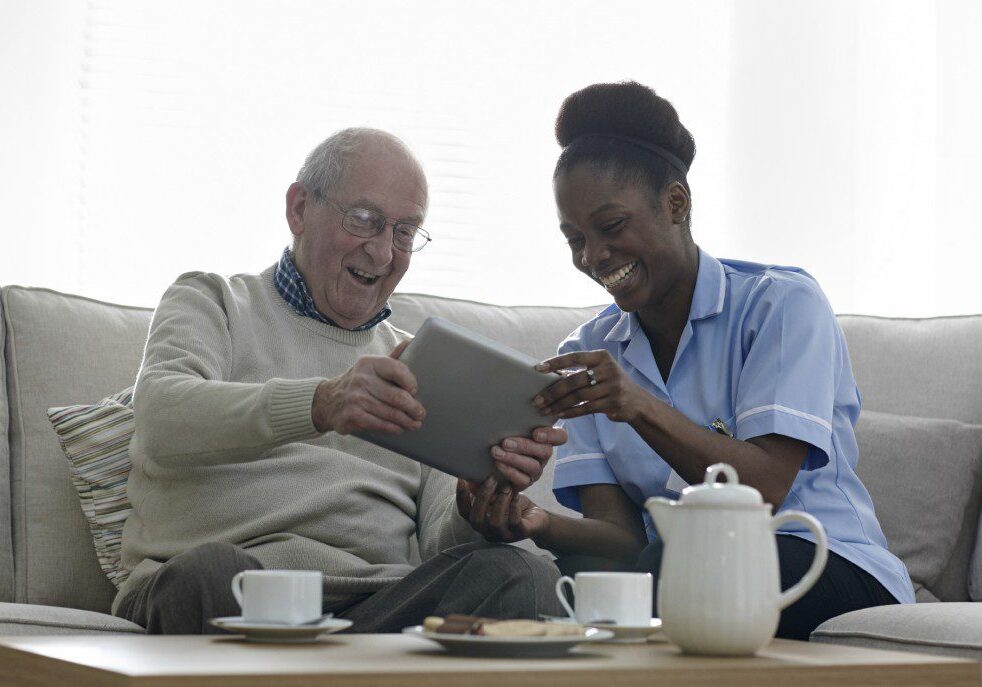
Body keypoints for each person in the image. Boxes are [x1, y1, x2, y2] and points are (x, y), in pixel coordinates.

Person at [457, 82, 914, 640]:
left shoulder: (781, 304)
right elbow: (622, 538)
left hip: (826, 564)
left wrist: (638, 406)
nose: (593, 257)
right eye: (574, 239)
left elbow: (764, 487)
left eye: (611, 226)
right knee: (566, 581)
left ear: (676, 203)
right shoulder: (589, 352)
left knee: (670, 575)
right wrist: (538, 523)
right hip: (683, 572)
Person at [112, 127, 567, 634]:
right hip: (231, 582)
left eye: (404, 232)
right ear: (299, 209)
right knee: (211, 575)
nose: (382, 253)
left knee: (521, 575)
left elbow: (441, 544)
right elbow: (161, 419)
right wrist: (321, 404)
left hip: (377, 606)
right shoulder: (212, 301)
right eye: (365, 220)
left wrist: (474, 508)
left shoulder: (422, 362)